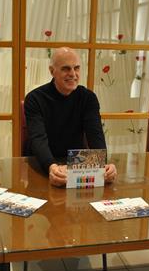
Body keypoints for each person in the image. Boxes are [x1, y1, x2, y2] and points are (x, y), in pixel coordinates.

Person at [24, 47, 117, 186]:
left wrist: (103, 166)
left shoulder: (88, 98)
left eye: (77, 68)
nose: (73, 74)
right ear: (52, 71)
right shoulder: (34, 98)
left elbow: (95, 134)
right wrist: (52, 166)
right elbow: (38, 139)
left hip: (75, 165)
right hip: (42, 163)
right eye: (66, 69)